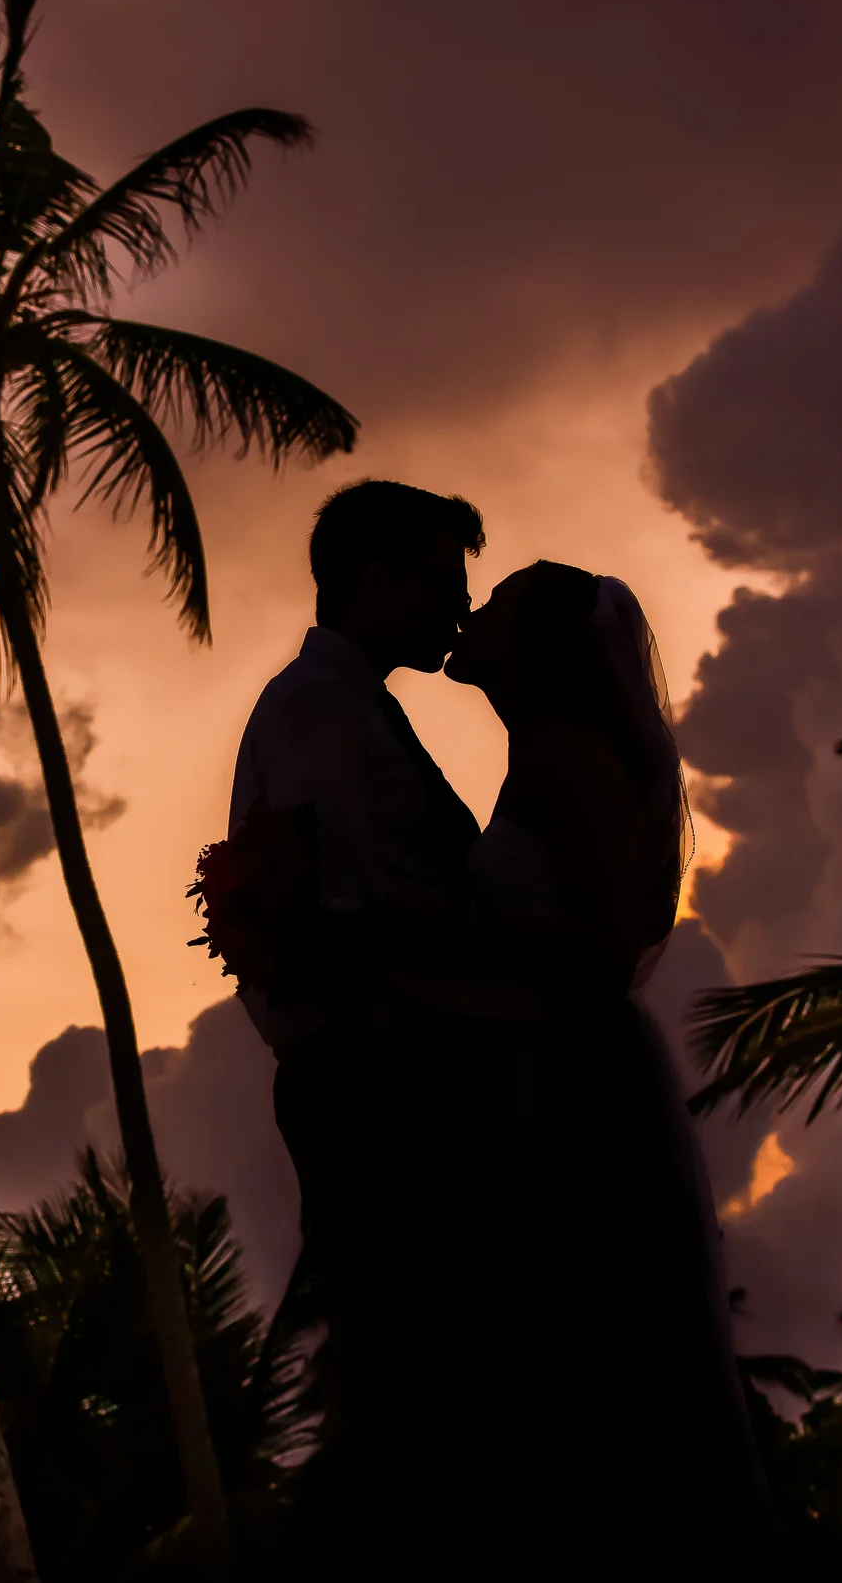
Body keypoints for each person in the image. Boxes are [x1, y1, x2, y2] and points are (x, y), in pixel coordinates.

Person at [446, 559, 795, 1580]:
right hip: (562, 1054)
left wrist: (406, 926)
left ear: (545, 645)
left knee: (588, 1344)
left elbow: (593, 940)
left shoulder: (562, 755)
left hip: (576, 1070)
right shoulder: (544, 752)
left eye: (499, 603)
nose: (474, 612)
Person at [226, 479, 519, 1565]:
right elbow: (342, 909)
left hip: (392, 1066)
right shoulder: (319, 709)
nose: (458, 607)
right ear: (377, 576)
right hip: (382, 1076)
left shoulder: (345, 704)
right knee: (405, 1367)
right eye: (444, 581)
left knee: (417, 1365)